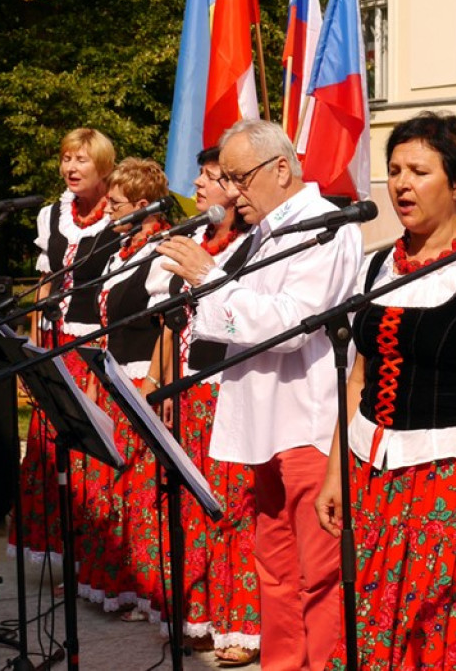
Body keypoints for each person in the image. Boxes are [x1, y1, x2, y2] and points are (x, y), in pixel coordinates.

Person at [314, 111, 456, 670]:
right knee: (376, 620)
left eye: (419, 170)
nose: (401, 184)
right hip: (376, 478)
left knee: (446, 628)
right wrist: (336, 468)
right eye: (393, 170)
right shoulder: (375, 268)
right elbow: (359, 378)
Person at [158, 119, 363, 671]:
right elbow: (197, 299)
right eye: (225, 178)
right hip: (260, 421)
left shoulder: (329, 226)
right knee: (273, 568)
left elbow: (291, 324)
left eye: (239, 177)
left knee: (317, 572)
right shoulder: (264, 231)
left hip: (306, 420)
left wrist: (209, 279)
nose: (232, 191)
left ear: (281, 167)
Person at [149, 146, 261, 665]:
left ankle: (243, 623)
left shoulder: (250, 246)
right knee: (193, 505)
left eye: (211, 176)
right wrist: (162, 380)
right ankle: (201, 616)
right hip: (190, 388)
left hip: (228, 386)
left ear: (236, 191)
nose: (197, 183)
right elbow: (173, 320)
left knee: (232, 507)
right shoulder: (197, 240)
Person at [10, 127, 117, 567]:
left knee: (89, 446)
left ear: (104, 166)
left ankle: (96, 556)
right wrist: (33, 337)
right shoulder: (53, 214)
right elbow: (45, 278)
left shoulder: (122, 215)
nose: (71, 168)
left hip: (94, 342)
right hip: (55, 341)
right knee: (50, 446)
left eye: (81, 160)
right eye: (66, 159)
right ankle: (60, 551)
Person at [75, 157, 174, 617]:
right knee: (112, 487)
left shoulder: (164, 250)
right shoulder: (122, 251)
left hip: (140, 380)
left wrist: (154, 384)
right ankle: (114, 581)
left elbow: (167, 325)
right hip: (115, 375)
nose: (109, 211)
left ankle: (145, 589)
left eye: (116, 204)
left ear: (142, 206)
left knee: (140, 488)